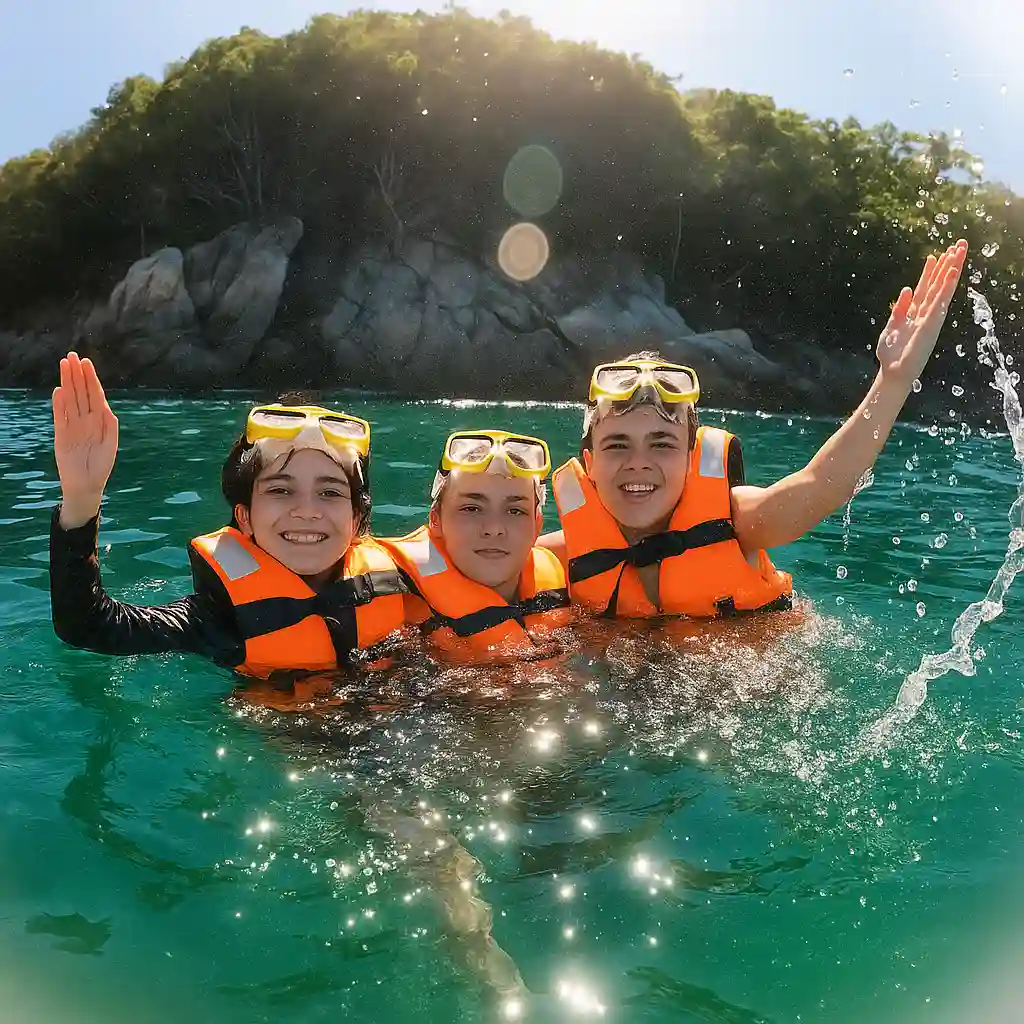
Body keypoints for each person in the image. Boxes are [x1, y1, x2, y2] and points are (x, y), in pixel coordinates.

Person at [540, 240, 969, 618]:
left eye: (661, 443)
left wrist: (892, 380)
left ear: (691, 460)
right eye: (618, 445)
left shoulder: (736, 520)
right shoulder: (559, 557)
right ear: (589, 464)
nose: (639, 463)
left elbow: (820, 486)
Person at [49, 352, 408, 696]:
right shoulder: (217, 620)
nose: (307, 510)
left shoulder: (401, 588)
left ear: (356, 517)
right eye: (281, 490)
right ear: (245, 517)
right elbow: (88, 626)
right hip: (285, 746)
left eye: (329, 493)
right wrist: (83, 498)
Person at [379, 430, 575, 663]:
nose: (494, 528)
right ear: (435, 519)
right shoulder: (391, 603)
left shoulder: (572, 576)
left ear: (537, 525)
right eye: (471, 508)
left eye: (515, 511)